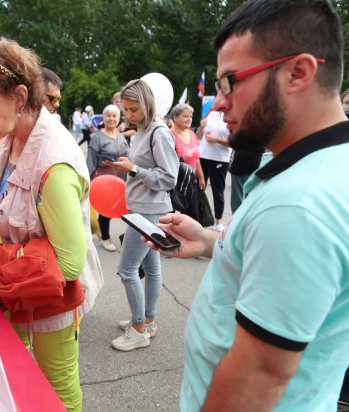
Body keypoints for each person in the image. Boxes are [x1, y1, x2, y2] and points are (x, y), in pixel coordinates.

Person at [143, 1, 349, 410]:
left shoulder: (297, 205)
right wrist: (206, 239)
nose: (218, 103)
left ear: (299, 72)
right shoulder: (320, 165)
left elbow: (259, 377)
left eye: (230, 81)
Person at [0, 37, 103, 412]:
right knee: (15, 376)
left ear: (19, 96)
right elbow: (20, 212)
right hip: (18, 289)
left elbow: (68, 264)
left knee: (58, 392)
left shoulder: (54, 164)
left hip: (51, 302)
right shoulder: (14, 135)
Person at [104, 79, 178, 352]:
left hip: (149, 210)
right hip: (144, 206)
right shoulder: (144, 129)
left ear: (148, 104)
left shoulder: (159, 132)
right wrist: (128, 168)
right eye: (125, 110)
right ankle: (147, 320)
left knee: (127, 270)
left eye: (133, 110)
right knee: (152, 269)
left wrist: (133, 170)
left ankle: (138, 330)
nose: (128, 116)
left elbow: (170, 177)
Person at [0, 65, 65, 181]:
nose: (57, 104)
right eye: (53, 98)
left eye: (58, 99)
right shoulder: (0, 125)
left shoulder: (55, 130)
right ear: (35, 93)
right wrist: (19, 168)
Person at [86, 104, 129, 252]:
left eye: (114, 116)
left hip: (117, 178)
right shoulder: (97, 138)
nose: (111, 118)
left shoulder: (121, 136)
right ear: (103, 118)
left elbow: (126, 157)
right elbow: (90, 160)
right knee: (106, 209)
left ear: (119, 118)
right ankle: (105, 237)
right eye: (108, 115)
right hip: (101, 178)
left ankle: (100, 229)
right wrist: (86, 181)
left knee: (111, 208)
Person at [195, 111, 232, 230]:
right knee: (198, 188)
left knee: (218, 190)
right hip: (203, 156)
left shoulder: (231, 116)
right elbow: (197, 137)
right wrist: (201, 126)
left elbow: (234, 143)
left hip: (220, 158)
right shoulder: (211, 114)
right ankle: (197, 218)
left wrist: (216, 140)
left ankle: (218, 222)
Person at [169, 103, 205, 219]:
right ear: (175, 117)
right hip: (174, 183)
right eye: (186, 116)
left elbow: (196, 157)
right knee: (170, 216)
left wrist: (201, 176)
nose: (189, 119)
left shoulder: (192, 134)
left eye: (190, 116)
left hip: (191, 182)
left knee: (193, 217)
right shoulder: (169, 135)